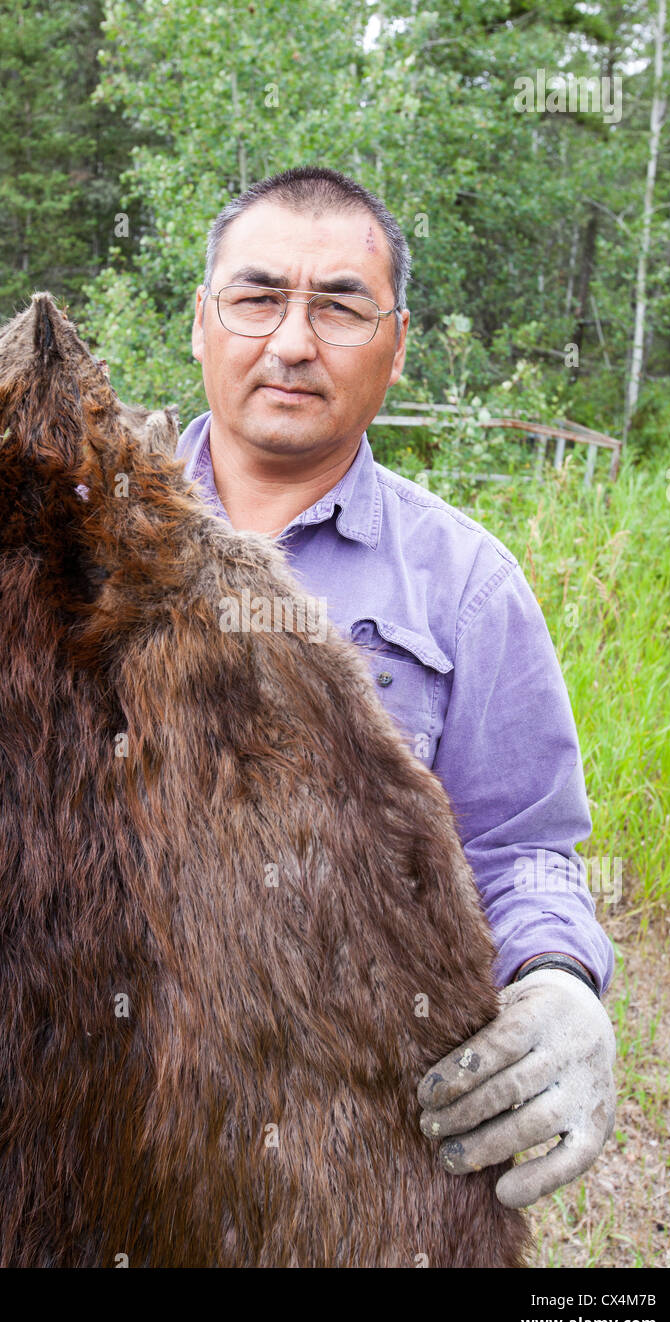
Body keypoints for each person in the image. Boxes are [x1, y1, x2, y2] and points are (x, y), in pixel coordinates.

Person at [176, 165, 616, 1210]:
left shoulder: (464, 589)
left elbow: (516, 850)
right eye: (255, 297)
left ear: (397, 341)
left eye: (338, 305)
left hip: (347, 1154)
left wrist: (558, 980)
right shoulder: (64, 547)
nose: (290, 341)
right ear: (202, 323)